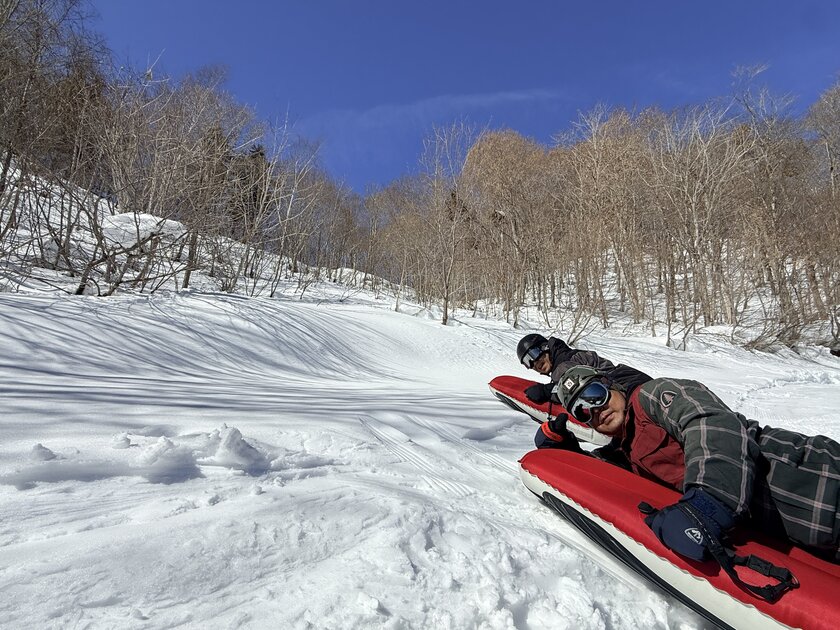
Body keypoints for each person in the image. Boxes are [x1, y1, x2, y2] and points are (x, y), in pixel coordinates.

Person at [537, 365, 840, 566]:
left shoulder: (655, 396)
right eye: (582, 411)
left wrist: (707, 503)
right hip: (808, 534)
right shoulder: (625, 451)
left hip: (816, 482)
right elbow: (609, 476)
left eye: (595, 395)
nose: (595, 410)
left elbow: (710, 423)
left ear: (610, 386)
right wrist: (566, 452)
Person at [516, 333, 652, 405]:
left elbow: (577, 388)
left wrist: (545, 392)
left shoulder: (563, 366)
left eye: (532, 354)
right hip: (639, 385)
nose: (534, 362)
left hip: (633, 394)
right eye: (528, 363)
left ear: (544, 346)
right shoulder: (570, 357)